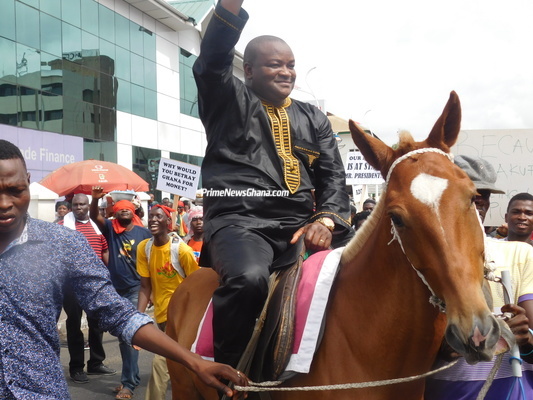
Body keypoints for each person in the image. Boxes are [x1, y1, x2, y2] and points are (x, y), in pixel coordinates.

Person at [0, 139, 247, 400]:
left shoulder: (62, 244)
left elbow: (118, 313)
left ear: (27, 181)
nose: (4, 202)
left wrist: (194, 361)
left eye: (15, 190)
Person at [193, 0, 353, 370]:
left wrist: (325, 221)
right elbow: (214, 55)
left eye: (291, 65)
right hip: (240, 223)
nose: (286, 72)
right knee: (249, 280)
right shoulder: (226, 98)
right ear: (248, 70)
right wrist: (230, 8)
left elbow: (333, 176)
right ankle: (230, 376)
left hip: (303, 227)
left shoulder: (314, 117)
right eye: (275, 64)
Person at [425, 155, 533, 399]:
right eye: (464, 193)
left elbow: (531, 342)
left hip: (510, 390)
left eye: (482, 195)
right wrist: (452, 345)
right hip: (445, 390)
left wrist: (524, 338)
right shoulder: (422, 263)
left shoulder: (520, 253)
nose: (476, 201)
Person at [89, 189, 152, 399]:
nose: (124, 211)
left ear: (133, 211)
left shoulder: (144, 234)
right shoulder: (110, 229)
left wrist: (150, 291)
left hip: (136, 289)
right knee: (125, 336)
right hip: (115, 290)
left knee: (129, 335)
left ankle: (128, 385)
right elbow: (93, 216)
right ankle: (132, 378)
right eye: (120, 209)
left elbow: (151, 262)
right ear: (114, 213)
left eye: (127, 209)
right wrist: (96, 198)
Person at [137, 205, 199, 400]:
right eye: (151, 216)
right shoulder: (144, 248)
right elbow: (145, 287)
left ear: (168, 222)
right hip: (162, 316)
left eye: (159, 216)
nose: (153, 220)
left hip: (183, 319)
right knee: (178, 366)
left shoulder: (182, 250)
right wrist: (138, 320)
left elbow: (198, 286)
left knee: (160, 363)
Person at [59, 193, 115, 383]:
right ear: (71, 206)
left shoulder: (98, 227)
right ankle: (76, 368)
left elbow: (105, 249)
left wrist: (109, 275)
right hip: (72, 285)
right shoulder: (61, 228)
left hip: (95, 284)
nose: (78, 208)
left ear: (88, 205)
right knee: (74, 325)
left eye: (82, 204)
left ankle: (96, 363)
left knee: (97, 324)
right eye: (75, 205)